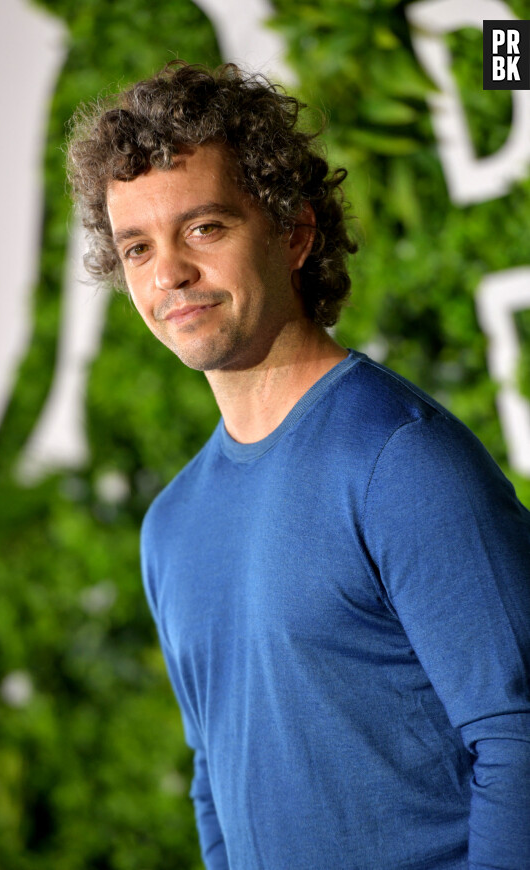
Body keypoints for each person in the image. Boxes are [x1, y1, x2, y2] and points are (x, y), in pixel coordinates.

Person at [68, 61, 530, 869]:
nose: (168, 272)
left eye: (204, 228)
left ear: (294, 233)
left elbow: (519, 740)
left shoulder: (400, 459)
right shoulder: (169, 529)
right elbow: (215, 785)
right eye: (137, 247)